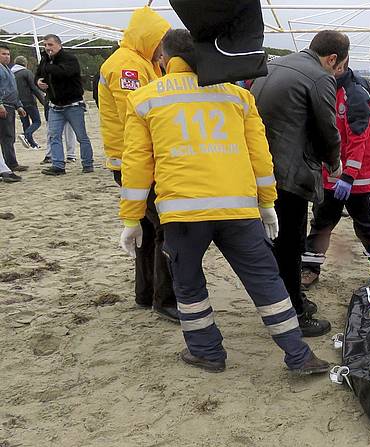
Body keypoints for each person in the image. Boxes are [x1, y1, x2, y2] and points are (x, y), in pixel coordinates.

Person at [118, 29, 329, 375]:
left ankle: (207, 352)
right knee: (266, 280)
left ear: (164, 59)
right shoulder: (237, 97)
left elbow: (138, 164)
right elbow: (260, 156)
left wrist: (131, 218)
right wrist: (266, 203)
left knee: (189, 285)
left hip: (183, 213)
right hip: (238, 209)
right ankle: (299, 355)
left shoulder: (144, 99)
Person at [251, 30, 347, 337]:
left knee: (274, 241)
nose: (337, 71)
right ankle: (293, 313)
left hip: (259, 167)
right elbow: (327, 128)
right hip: (289, 173)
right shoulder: (320, 77)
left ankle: (286, 299)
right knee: (290, 243)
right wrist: (334, 162)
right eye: (339, 65)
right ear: (332, 59)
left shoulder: (275, 65)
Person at [99, 6, 177, 321]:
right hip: (135, 161)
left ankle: (146, 294)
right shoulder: (124, 67)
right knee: (167, 229)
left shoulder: (140, 62)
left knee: (146, 231)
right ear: (150, 38)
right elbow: (138, 114)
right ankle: (165, 299)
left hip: (137, 159)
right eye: (161, 42)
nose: (163, 49)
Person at [301, 62, 370, 289]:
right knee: (321, 222)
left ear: (336, 64)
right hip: (330, 174)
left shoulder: (355, 95)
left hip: (357, 179)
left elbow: (359, 139)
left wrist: (348, 176)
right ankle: (310, 268)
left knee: (367, 225)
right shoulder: (326, 88)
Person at [36, 34, 94, 175]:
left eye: (50, 45)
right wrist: (38, 82)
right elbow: (37, 75)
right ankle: (58, 165)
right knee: (54, 136)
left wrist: (48, 66)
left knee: (81, 136)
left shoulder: (70, 59)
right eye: (45, 45)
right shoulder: (44, 60)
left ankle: (87, 164)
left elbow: (64, 72)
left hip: (73, 104)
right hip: (55, 105)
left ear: (59, 44)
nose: (47, 48)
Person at [0, 45, 28, 173]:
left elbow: (13, 90)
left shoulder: (9, 70)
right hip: (4, 105)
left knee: (9, 136)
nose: (6, 57)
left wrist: (19, 105)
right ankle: (11, 163)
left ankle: (10, 162)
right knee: (7, 136)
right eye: (3, 54)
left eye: (8, 54)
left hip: (10, 105)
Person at [11, 55, 45, 150]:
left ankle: (32, 144)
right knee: (37, 121)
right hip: (29, 101)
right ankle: (25, 135)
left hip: (17, 103)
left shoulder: (11, 73)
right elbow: (34, 88)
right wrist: (43, 101)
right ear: (25, 63)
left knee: (25, 123)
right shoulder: (26, 73)